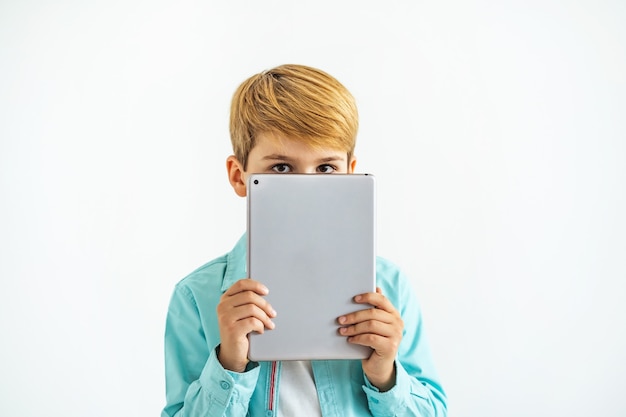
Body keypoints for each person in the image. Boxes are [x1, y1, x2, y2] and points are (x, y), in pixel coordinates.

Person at [161, 64, 448, 417]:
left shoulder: (390, 286)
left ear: (350, 174)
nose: (306, 188)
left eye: (326, 168)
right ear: (240, 177)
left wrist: (385, 375)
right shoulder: (195, 297)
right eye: (281, 168)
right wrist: (228, 364)